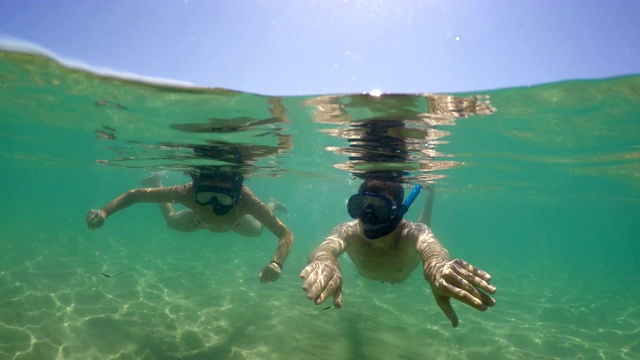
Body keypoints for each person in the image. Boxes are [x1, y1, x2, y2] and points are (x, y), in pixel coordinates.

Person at [300, 179, 496, 327]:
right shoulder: (347, 231)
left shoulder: (415, 233)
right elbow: (323, 249)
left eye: (380, 210)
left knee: (423, 225)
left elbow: (433, 252)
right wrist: (325, 262)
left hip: (408, 237)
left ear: (398, 212)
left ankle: (430, 195)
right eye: (361, 206)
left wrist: (437, 268)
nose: (367, 218)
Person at [86, 169, 293, 282]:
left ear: (235, 192)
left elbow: (285, 234)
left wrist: (277, 263)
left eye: (221, 198)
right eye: (207, 195)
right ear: (198, 187)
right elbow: (136, 195)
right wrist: (104, 211)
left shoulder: (246, 200)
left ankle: (272, 203)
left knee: (258, 230)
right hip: (197, 220)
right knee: (171, 222)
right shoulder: (188, 192)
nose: (212, 204)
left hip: (236, 224)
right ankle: (156, 180)